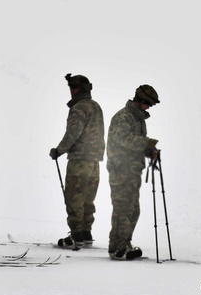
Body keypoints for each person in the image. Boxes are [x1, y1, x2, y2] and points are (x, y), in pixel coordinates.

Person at [50, 73, 105, 249]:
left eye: (74, 88)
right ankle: (86, 232)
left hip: (80, 160)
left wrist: (59, 150)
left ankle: (76, 235)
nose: (72, 91)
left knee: (75, 197)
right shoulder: (95, 107)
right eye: (71, 88)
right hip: (94, 161)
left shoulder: (79, 108)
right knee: (88, 198)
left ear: (82, 89)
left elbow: (73, 133)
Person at [106, 84, 160, 260]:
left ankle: (124, 243)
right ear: (141, 100)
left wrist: (149, 152)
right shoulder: (123, 117)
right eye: (148, 104)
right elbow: (122, 140)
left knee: (133, 210)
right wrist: (146, 143)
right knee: (123, 209)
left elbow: (135, 144)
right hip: (121, 170)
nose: (148, 107)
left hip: (133, 170)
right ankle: (118, 247)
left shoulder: (138, 120)